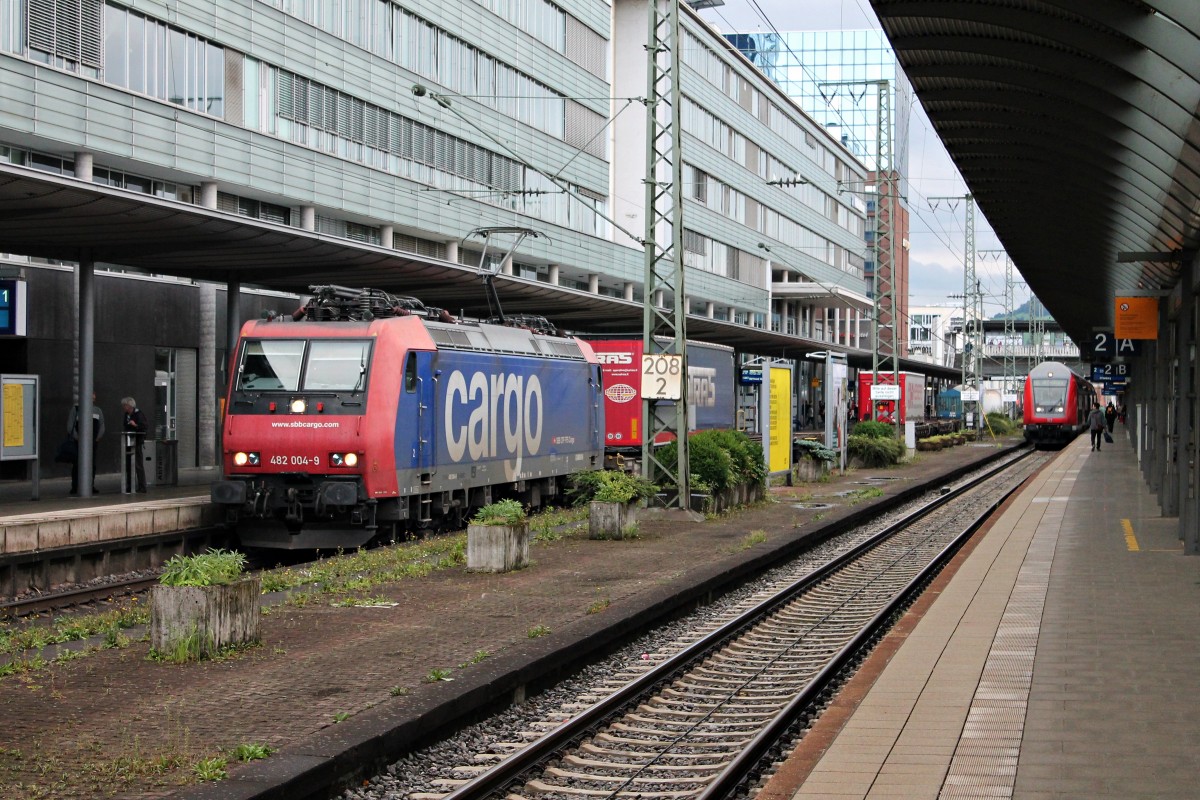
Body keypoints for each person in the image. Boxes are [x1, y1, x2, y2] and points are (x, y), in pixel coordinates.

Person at [68, 392, 105, 495]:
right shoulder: (76, 410)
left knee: (92, 465)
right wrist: (77, 438)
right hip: (78, 443)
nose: (93, 400)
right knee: (77, 464)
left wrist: (97, 438)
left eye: (93, 399)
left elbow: (102, 425)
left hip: (93, 442)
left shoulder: (98, 410)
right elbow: (70, 426)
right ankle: (75, 486)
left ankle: (90, 485)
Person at [121, 396, 149, 493]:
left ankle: (142, 486)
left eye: (124, 405)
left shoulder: (138, 414)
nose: (123, 407)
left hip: (137, 442)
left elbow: (144, 426)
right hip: (128, 441)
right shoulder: (126, 415)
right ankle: (129, 485)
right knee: (129, 465)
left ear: (129, 406)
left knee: (138, 464)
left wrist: (135, 425)